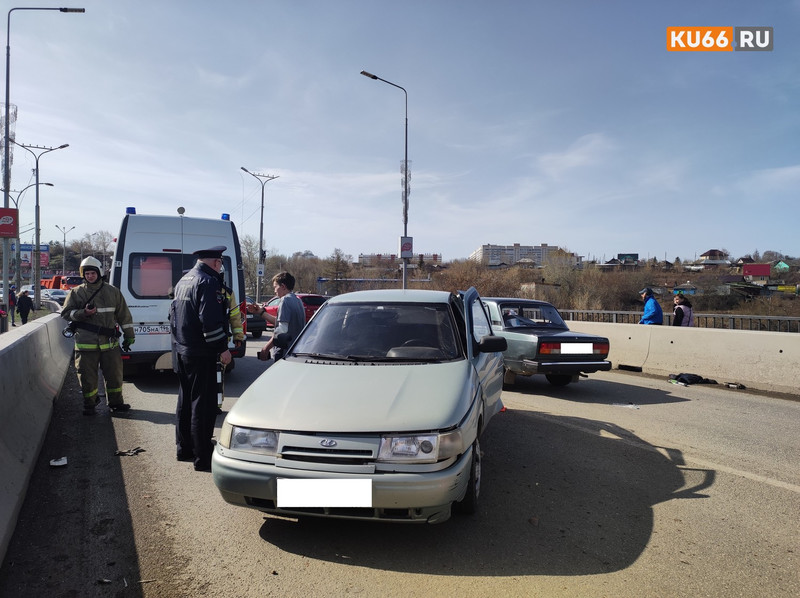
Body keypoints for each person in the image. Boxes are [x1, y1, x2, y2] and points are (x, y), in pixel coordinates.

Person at [170, 246, 232, 472]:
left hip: (182, 349)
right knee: (202, 405)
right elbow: (210, 322)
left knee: (185, 401)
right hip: (201, 352)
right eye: (220, 263)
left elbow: (174, 317)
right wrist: (223, 348)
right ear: (216, 262)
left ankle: (184, 448)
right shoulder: (208, 282)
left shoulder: (184, 280)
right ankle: (202, 456)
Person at [62, 256, 136, 415]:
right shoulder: (76, 293)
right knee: (87, 376)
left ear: (99, 273)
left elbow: (124, 315)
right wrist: (83, 313)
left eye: (92, 273)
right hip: (85, 343)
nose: (90, 276)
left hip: (110, 344)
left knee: (115, 375)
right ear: (83, 275)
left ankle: (116, 403)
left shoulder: (113, 291)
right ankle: (90, 404)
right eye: (87, 273)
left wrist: (129, 335)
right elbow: (66, 313)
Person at [248, 271, 305, 363]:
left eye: (275, 287)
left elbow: (281, 330)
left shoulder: (285, 301)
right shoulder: (297, 301)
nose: (274, 291)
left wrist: (266, 348)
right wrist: (261, 312)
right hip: (296, 350)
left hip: (284, 351)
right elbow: (281, 323)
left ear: (283, 286)